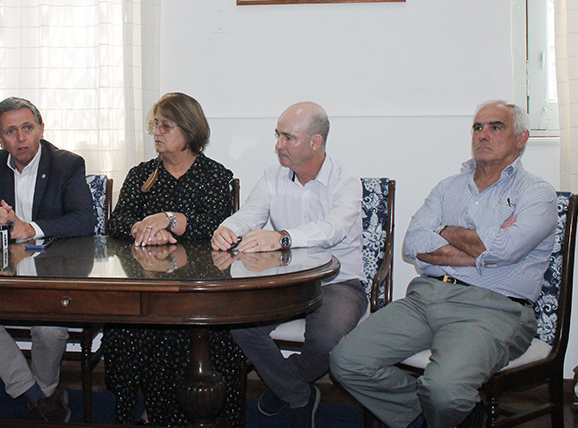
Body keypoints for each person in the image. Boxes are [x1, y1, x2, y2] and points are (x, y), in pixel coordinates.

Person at [330, 101, 558, 428]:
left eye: (496, 127)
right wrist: (483, 246)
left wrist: (446, 234)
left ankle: (448, 410)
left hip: (494, 309)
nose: (483, 134)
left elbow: (506, 248)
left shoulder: (537, 193)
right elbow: (414, 244)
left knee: (444, 390)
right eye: (478, 127)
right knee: (346, 361)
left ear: (521, 139)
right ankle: (446, 417)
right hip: (426, 297)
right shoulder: (448, 187)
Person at [211, 101, 367, 428]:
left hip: (339, 282)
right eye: (277, 136)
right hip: (287, 283)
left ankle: (285, 385)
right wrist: (227, 229)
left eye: (288, 137)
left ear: (315, 142)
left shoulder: (346, 182)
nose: (278, 145)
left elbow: (332, 230)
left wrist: (281, 238)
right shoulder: (273, 177)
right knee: (241, 326)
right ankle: (298, 394)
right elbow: (249, 215)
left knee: (326, 341)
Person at [103, 92, 242, 427]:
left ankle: (173, 413)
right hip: (146, 286)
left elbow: (220, 226)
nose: (157, 132)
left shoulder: (213, 176)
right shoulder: (142, 174)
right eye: (155, 124)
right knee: (121, 331)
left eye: (166, 125)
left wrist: (173, 220)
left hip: (198, 289)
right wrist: (143, 226)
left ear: (189, 131)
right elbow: (115, 224)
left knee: (178, 335)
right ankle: (146, 410)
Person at [0, 97, 94, 422]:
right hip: (3, 274)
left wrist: (30, 229)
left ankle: (41, 393)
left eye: (27, 128)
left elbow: (85, 220)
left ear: (41, 129)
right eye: (10, 132)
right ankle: (41, 398)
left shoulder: (67, 164)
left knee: (50, 331)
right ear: (0, 139)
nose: (20, 139)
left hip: (53, 275)